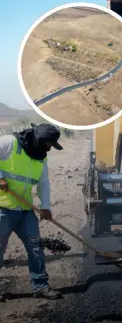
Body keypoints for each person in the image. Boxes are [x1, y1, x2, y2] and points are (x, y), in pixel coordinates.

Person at [0, 123, 63, 300]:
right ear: (40, 140)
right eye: (48, 144)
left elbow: (43, 183)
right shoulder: (8, 143)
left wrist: (46, 207)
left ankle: (41, 286)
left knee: (36, 248)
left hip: (25, 210)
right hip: (2, 210)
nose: (49, 148)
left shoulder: (41, 157)